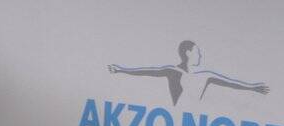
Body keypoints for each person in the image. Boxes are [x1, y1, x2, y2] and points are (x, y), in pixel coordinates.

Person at [108, 41, 269, 106]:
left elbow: (231, 83)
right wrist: (122, 70)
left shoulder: (205, 75)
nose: (200, 56)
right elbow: (148, 71)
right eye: (197, 52)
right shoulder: (172, 71)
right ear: (188, 53)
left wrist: (252, 87)